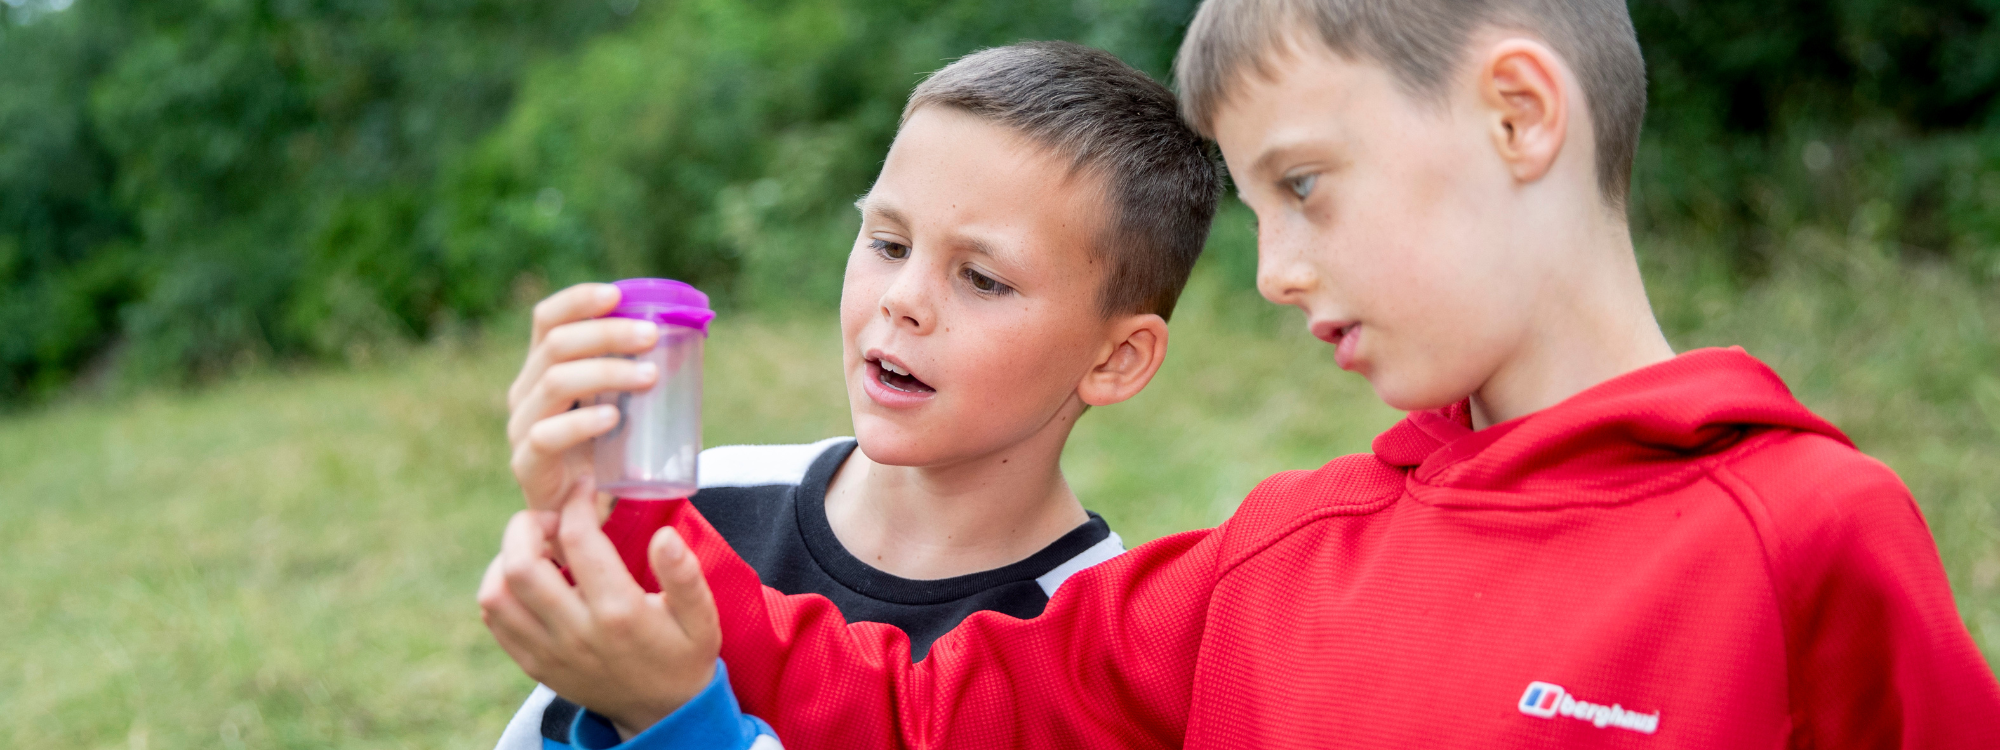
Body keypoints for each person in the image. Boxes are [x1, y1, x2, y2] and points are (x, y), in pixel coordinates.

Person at [488, 0, 2000, 747]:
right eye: (1257, 208)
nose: (1272, 270)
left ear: (1519, 116)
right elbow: (903, 708)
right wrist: (619, 493)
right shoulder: (1275, 563)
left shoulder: (1803, 531)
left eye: (1307, 185)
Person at [478, 41, 1221, 749]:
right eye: (889, 244)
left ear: (1118, 358)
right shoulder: (701, 500)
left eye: (983, 278)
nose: (902, 299)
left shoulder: (1096, 651)